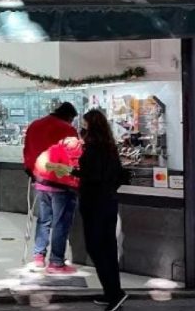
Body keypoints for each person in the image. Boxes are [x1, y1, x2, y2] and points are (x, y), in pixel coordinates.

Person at [71, 110, 128, 311]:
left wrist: (73, 172)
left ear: (91, 125)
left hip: (95, 204)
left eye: (85, 123)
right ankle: (111, 292)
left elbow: (93, 176)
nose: (82, 126)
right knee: (108, 248)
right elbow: (119, 175)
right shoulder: (109, 147)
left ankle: (115, 294)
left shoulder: (93, 148)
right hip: (108, 202)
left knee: (96, 247)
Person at [23, 102, 79, 274]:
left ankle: (38, 257)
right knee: (60, 222)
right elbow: (75, 157)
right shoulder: (68, 129)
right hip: (62, 183)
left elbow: (27, 151)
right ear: (69, 117)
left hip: (40, 180)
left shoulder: (35, 125)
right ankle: (56, 262)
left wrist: (32, 172)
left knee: (43, 219)